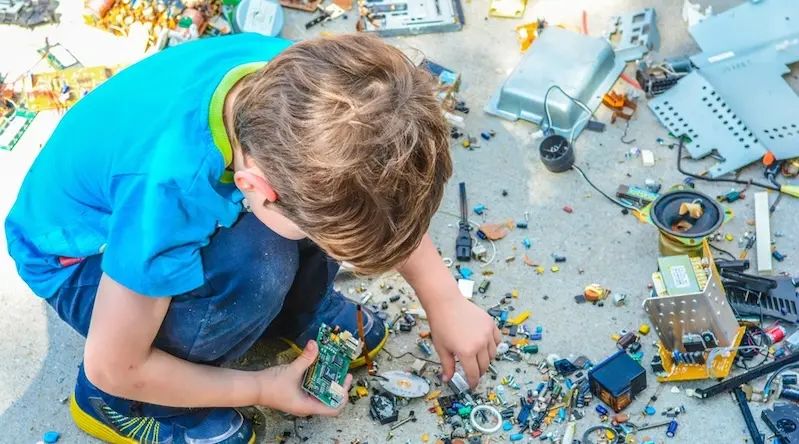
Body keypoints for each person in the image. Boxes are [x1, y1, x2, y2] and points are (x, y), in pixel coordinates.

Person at [5, 33, 500, 444]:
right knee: (255, 267)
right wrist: (261, 388)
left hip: (164, 211)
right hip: (82, 260)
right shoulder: (168, 193)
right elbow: (115, 363)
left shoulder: (312, 90)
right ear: (254, 190)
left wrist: (442, 299)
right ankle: (120, 407)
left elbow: (374, 193)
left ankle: (292, 314)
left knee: (301, 228)